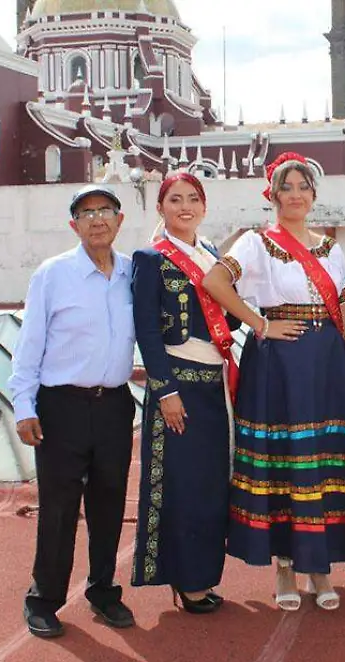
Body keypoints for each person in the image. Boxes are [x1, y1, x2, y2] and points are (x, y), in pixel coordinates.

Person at [201, 152, 345, 612]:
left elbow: (344, 313)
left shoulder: (330, 248)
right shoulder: (257, 243)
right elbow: (214, 282)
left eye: (304, 187)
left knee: (320, 463)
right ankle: (285, 563)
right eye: (288, 187)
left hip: (326, 364)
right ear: (274, 195)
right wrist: (259, 326)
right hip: (280, 363)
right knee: (285, 460)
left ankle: (318, 567)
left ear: (314, 195)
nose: (297, 195)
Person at [9, 184, 137, 638]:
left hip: (115, 406)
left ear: (120, 220)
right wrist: (23, 405)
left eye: (105, 210)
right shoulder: (53, 274)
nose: (97, 219)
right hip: (61, 405)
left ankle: (103, 589)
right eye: (86, 213)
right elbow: (30, 346)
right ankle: (43, 598)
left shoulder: (132, 274)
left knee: (109, 502)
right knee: (60, 507)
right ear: (74, 226)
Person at [130, 172, 239, 614]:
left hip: (214, 386)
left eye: (193, 198)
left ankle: (203, 574)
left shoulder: (213, 255)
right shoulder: (150, 258)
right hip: (177, 388)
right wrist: (166, 390)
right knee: (183, 486)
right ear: (160, 209)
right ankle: (185, 578)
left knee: (213, 484)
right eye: (175, 200)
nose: (185, 206)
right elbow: (147, 331)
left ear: (205, 206)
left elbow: (226, 322)